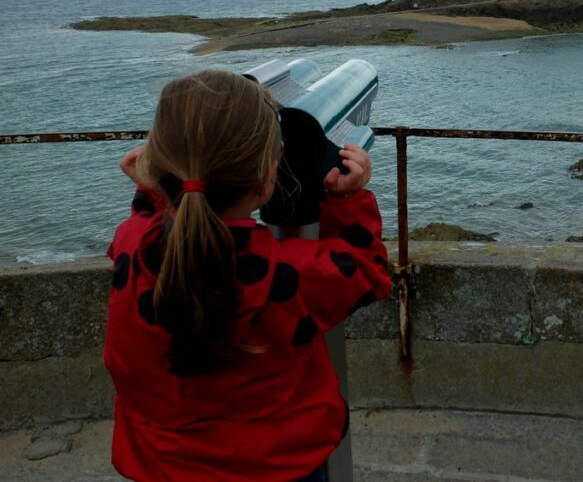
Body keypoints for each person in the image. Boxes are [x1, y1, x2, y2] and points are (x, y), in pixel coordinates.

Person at [103, 70, 392, 482]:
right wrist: (347, 198)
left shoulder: (131, 244)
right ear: (265, 180)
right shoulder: (287, 275)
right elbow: (366, 272)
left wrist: (153, 196)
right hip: (278, 467)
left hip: (162, 464)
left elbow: (155, 228)